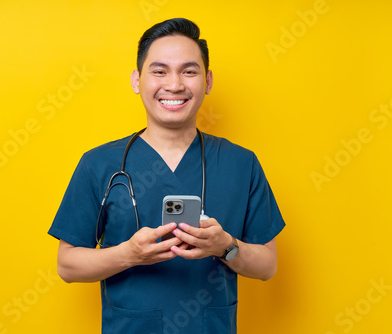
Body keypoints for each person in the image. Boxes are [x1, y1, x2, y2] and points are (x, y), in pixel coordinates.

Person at [48, 18, 285, 334]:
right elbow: (67, 265)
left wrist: (225, 246)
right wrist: (129, 254)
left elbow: (268, 266)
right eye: (159, 71)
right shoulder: (99, 164)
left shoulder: (241, 163)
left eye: (189, 71)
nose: (174, 84)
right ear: (136, 80)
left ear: (208, 80)